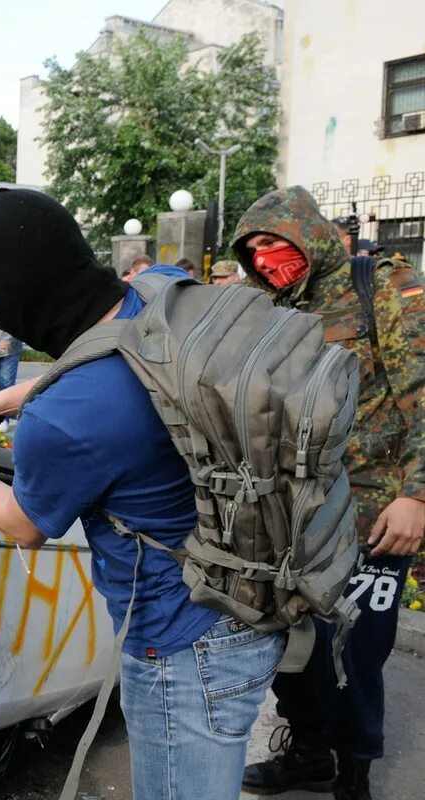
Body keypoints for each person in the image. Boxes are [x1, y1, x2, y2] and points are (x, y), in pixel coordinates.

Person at [0, 188, 283, 800]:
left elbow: (24, 522)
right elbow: (114, 361)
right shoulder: (158, 290)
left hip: (181, 643)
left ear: (19, 294)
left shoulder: (65, 418)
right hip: (254, 589)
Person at [233, 186, 425, 800]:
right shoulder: (264, 310)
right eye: (254, 249)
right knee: (294, 645)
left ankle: (356, 772)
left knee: (354, 650)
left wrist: (418, 496)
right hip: (290, 513)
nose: (266, 258)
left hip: (374, 510)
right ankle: (310, 753)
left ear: (308, 235)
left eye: (275, 242)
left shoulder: (383, 288)